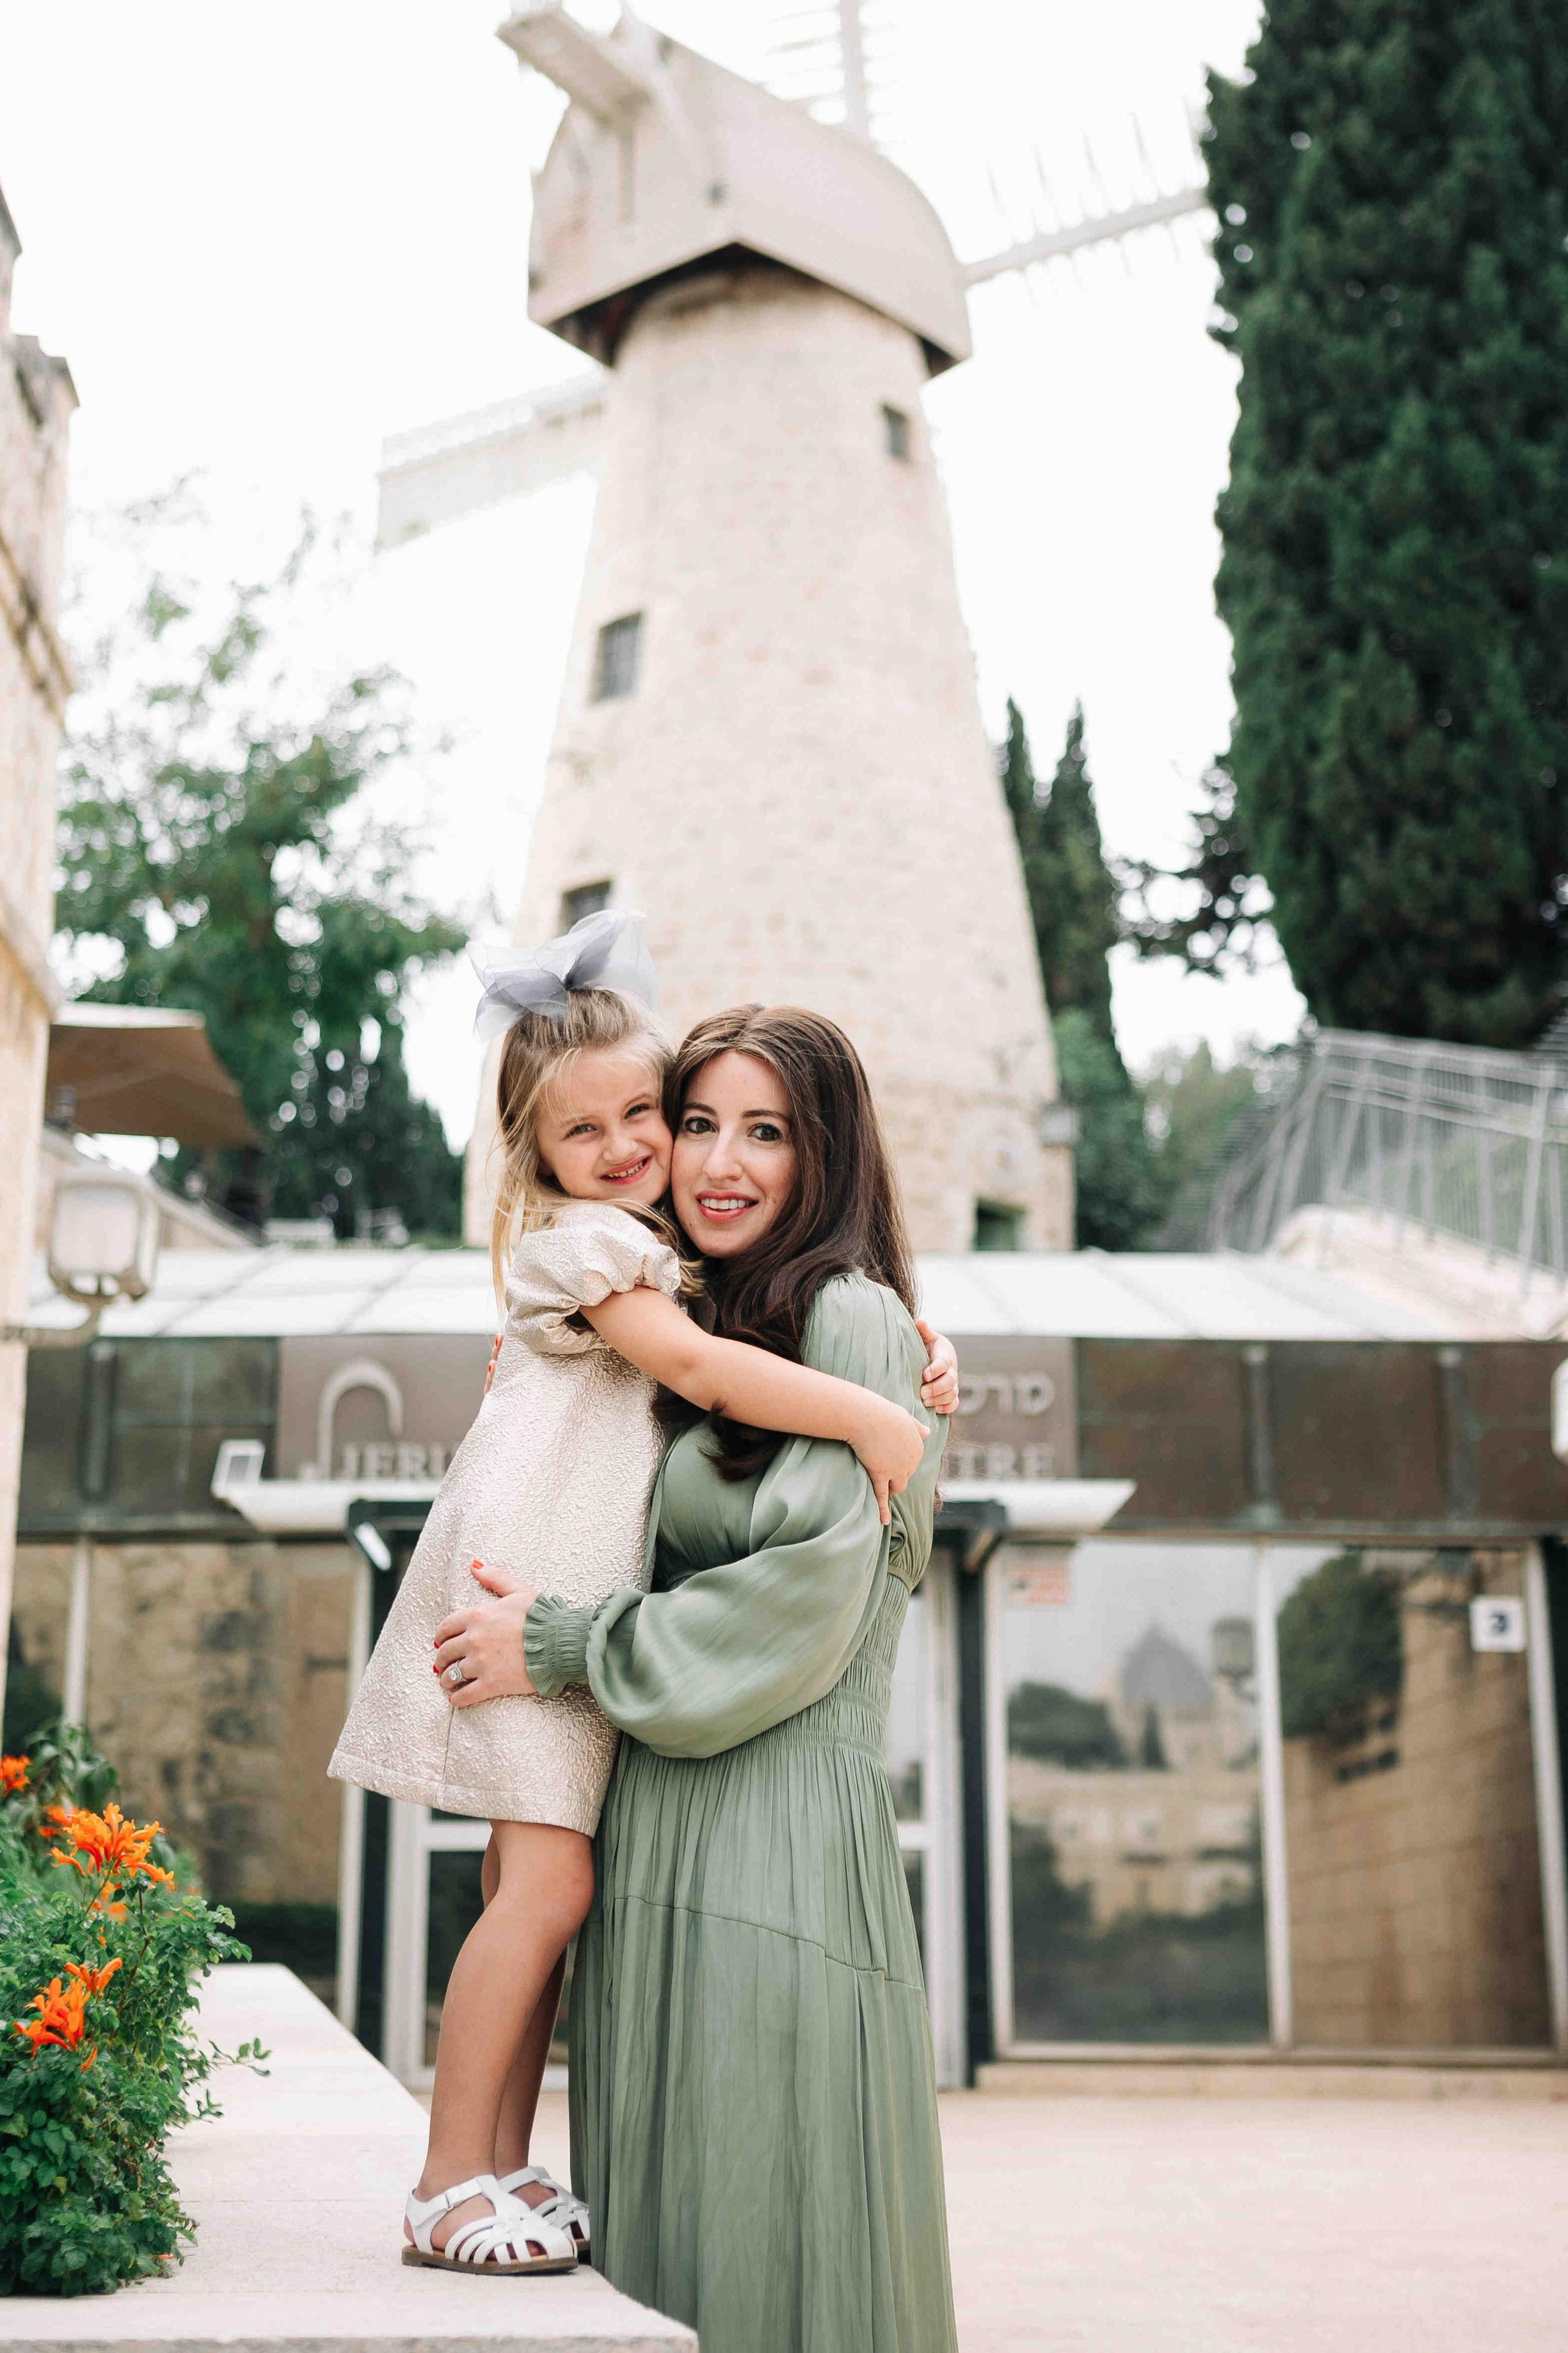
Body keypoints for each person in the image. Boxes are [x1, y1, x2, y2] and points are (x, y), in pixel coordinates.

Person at [328, 913, 958, 2278]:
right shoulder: (590, 1252)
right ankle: (448, 2177)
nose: (633, 1148)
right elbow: (719, 1377)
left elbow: (759, 1317)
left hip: (545, 1571)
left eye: (642, 1115)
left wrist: (918, 1335)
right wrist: (878, 1414)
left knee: (530, 1880)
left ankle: (495, 2161)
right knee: (545, 1889)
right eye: (590, 1131)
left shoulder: (650, 1238)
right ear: (534, 1158)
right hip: (527, 1577)